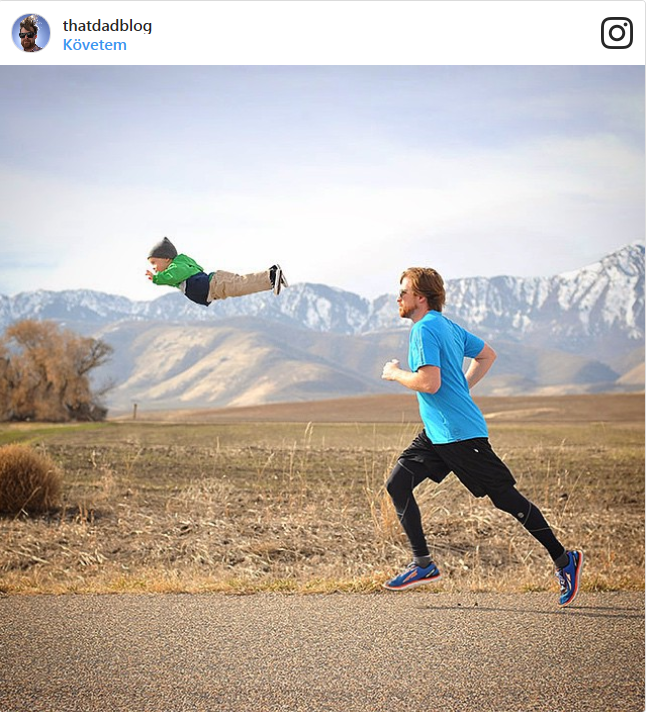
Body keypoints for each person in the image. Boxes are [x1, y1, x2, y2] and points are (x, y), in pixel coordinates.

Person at [380, 266, 583, 607]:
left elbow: (429, 383)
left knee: (506, 499)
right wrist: (462, 390)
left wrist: (395, 373)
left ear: (421, 297)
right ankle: (423, 565)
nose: (397, 297)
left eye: (403, 291)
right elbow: (487, 354)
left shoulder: (423, 330)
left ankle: (565, 560)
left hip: (460, 435)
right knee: (397, 484)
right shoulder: (447, 327)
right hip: (438, 433)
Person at [146, 237, 288, 305]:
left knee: (241, 285)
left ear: (166, 258)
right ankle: (274, 277)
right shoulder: (179, 268)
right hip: (214, 283)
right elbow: (174, 279)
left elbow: (172, 275)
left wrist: (156, 278)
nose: (153, 268)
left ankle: (271, 276)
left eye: (154, 263)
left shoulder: (176, 268)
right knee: (241, 283)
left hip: (214, 285)